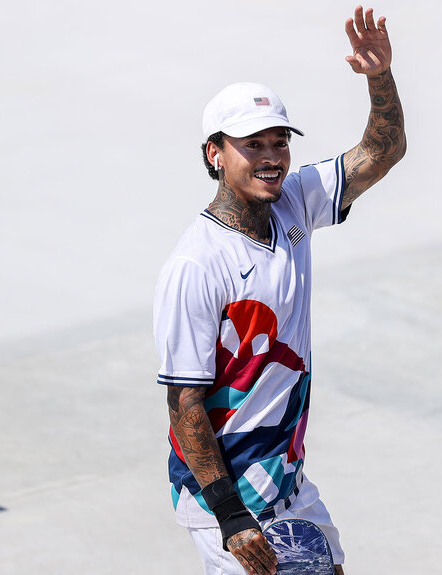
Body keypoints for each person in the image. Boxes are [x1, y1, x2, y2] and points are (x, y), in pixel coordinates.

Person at [153, 6, 405, 575]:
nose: (271, 157)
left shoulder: (293, 202)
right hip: (231, 497)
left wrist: (379, 76)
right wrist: (231, 518)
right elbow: (184, 403)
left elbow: (381, 153)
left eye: (278, 142)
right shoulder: (196, 265)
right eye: (252, 144)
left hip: (287, 480)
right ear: (214, 153)